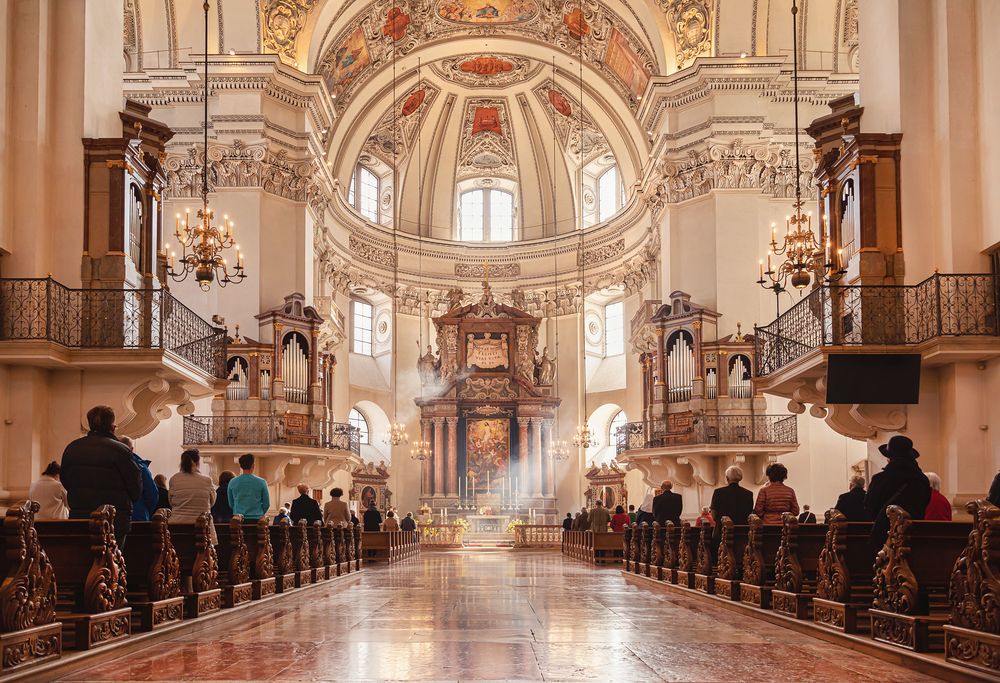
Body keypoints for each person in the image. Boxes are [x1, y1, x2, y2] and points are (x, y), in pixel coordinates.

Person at [60, 405, 142, 546]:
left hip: (81, 517)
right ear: (112, 426)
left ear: (90, 425)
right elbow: (135, 488)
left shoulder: (72, 448)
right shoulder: (121, 450)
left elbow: (66, 480)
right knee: (113, 561)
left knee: (83, 561)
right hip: (114, 520)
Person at [865, 435, 932, 549]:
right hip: (914, 537)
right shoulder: (922, 480)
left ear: (889, 458)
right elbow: (924, 504)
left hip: (884, 538)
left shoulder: (880, 479)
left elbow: (869, 507)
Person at [168, 449, 217, 544]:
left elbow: (171, 501)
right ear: (198, 462)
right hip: (201, 528)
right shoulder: (206, 480)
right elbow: (212, 501)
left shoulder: (174, 479)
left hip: (177, 526)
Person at [119, 436, 159, 522]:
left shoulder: (111, 466)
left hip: (116, 516)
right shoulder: (141, 467)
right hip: (138, 516)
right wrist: (145, 511)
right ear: (132, 449)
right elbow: (152, 495)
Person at [709, 466, 754, 540]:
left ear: (727, 478)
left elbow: (713, 514)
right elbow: (749, 513)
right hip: (742, 533)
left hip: (722, 531)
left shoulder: (718, 492)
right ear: (740, 478)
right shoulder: (748, 494)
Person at [228, 453, 270, 521]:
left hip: (238, 519)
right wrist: (259, 513)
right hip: (257, 518)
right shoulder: (262, 482)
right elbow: (266, 503)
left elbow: (231, 503)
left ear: (241, 466)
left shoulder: (232, 482)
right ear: (253, 465)